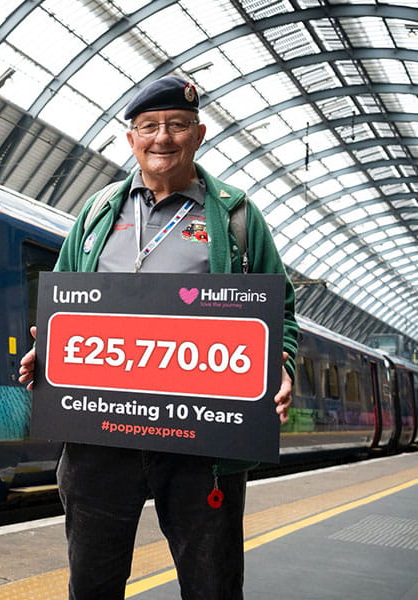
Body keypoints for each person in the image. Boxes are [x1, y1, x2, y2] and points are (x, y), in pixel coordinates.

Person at [18, 76, 298, 600]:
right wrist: (47, 349)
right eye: (148, 127)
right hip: (100, 430)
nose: (162, 138)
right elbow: (62, 304)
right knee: (91, 584)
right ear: (131, 139)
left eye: (177, 125)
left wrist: (279, 361)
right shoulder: (97, 213)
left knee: (211, 584)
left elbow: (278, 309)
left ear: (199, 134)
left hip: (202, 436)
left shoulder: (236, 215)